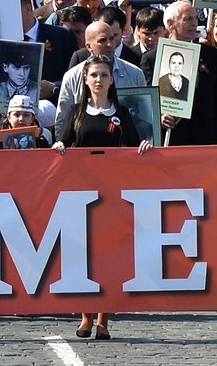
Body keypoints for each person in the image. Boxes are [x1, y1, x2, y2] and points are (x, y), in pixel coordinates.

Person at [55, 54, 154, 338]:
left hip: (112, 194)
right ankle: (85, 315)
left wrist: (145, 147)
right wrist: (60, 146)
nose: (99, 80)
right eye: (94, 75)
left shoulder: (121, 114)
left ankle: (103, 319)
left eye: (104, 75)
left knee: (109, 255)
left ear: (112, 80)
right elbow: (64, 141)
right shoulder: (76, 112)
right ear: (85, 79)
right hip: (81, 193)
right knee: (82, 255)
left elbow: (135, 145)